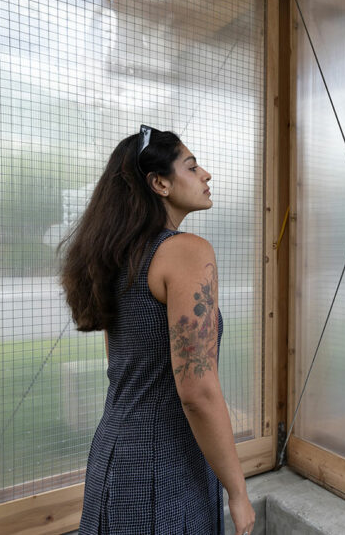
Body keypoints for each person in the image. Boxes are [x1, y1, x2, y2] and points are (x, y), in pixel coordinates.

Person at [60, 125, 256, 535]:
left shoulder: (118, 256)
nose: (206, 174)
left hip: (112, 460)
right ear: (160, 183)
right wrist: (237, 491)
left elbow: (121, 365)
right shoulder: (186, 252)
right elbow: (198, 392)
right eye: (192, 166)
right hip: (165, 469)